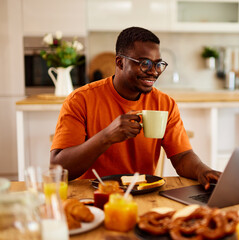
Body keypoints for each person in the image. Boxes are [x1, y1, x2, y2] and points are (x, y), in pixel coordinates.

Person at [50, 26, 220, 189]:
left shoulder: (164, 103)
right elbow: (59, 168)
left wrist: (202, 170)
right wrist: (106, 136)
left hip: (144, 194)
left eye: (158, 64)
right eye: (145, 63)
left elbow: (182, 156)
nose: (153, 71)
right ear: (120, 62)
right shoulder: (81, 100)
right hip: (92, 196)